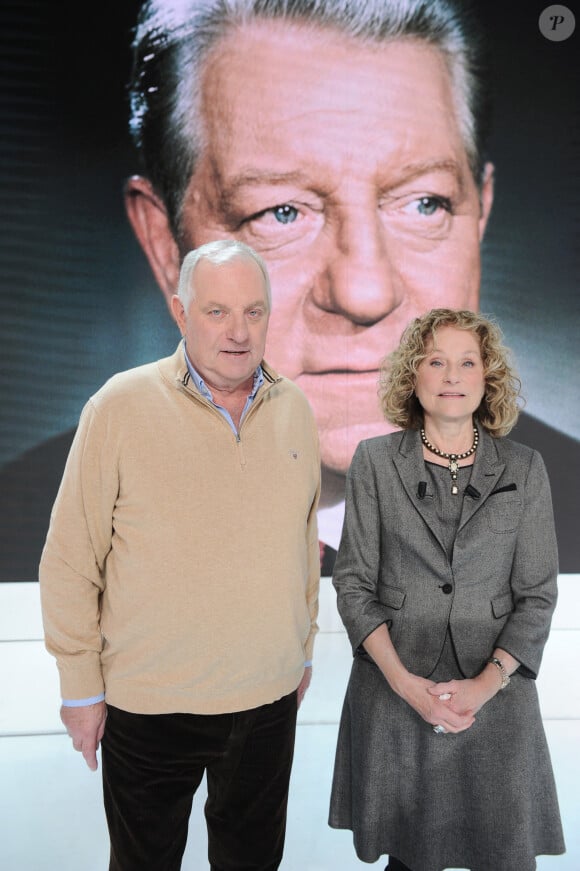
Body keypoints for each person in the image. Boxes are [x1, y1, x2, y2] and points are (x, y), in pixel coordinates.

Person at [1, 0, 578, 583]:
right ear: (166, 246)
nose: (365, 291)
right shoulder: (26, 535)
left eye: (424, 204)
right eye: (280, 213)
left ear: (478, 218)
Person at [39, 239, 321, 871]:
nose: (239, 331)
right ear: (180, 311)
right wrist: (80, 690)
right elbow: (69, 558)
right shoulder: (119, 406)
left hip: (265, 703)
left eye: (254, 312)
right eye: (217, 311)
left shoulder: (294, 409)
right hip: (149, 706)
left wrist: (301, 649)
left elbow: (302, 544)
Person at [328, 308, 565, 871]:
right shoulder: (374, 463)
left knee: (503, 856)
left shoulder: (525, 467)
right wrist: (407, 686)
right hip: (396, 695)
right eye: (437, 361)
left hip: (496, 700)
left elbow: (537, 596)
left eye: (467, 362)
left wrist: (486, 684)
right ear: (414, 377)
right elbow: (354, 584)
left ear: (488, 378)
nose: (453, 375)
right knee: (410, 860)